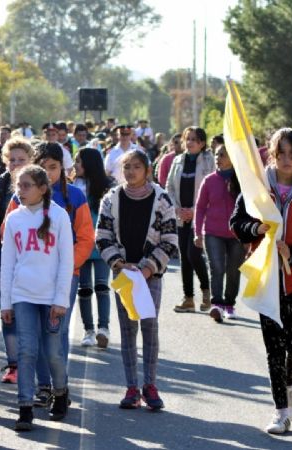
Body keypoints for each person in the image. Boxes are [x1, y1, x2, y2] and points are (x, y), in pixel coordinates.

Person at [229, 128, 292, 434]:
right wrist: (255, 229)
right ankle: (280, 411)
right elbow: (236, 223)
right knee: (274, 348)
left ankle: (290, 384)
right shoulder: (256, 188)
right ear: (271, 155)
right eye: (280, 153)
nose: (286, 159)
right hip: (266, 278)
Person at [4, 142, 94, 406]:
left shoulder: (74, 196)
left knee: (56, 334)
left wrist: (65, 267)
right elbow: (9, 238)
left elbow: (86, 237)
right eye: (43, 166)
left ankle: (59, 388)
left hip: (65, 275)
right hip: (29, 281)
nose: (49, 172)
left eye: (53, 167)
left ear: (62, 169)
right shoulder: (20, 197)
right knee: (31, 340)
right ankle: (43, 387)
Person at [97, 150, 178, 411]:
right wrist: (119, 264)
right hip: (123, 273)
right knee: (127, 329)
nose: (130, 172)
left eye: (136, 167)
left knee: (149, 327)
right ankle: (131, 388)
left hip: (149, 275)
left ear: (147, 170)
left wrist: (147, 268)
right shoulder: (111, 198)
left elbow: (169, 240)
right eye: (127, 167)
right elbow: (103, 236)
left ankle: (150, 386)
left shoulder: (162, 199)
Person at [0, 164, 74, 431]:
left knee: (53, 352)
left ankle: (61, 392)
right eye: (18, 185)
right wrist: (6, 303)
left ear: (42, 189)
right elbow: (7, 263)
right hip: (23, 296)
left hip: (51, 297)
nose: (20, 191)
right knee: (26, 351)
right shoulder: (14, 219)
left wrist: (61, 299)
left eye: (26, 185)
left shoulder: (59, 216)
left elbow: (67, 261)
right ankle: (25, 408)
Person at [0, 137, 34, 384]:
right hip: (3, 259)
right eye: (12, 160)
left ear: (31, 161)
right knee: (8, 312)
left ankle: (32, 362)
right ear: (5, 162)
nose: (16, 164)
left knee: (31, 313)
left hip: (32, 260)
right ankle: (14, 364)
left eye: (21, 160)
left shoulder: (39, 186)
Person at [194, 145, 244, 323]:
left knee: (233, 270)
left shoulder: (241, 180)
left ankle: (229, 304)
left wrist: (250, 234)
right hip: (212, 232)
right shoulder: (209, 180)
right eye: (216, 154)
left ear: (232, 158)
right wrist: (197, 232)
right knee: (217, 268)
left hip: (237, 234)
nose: (218, 157)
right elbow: (200, 207)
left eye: (222, 155)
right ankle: (217, 304)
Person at [167, 127, 214, 313]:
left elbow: (212, 189)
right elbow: (169, 187)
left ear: (202, 143)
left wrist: (195, 211)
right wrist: (177, 208)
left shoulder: (209, 161)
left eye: (195, 139)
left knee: (193, 254)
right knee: (184, 258)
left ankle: (206, 291)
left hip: (200, 216)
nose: (190, 142)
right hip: (180, 216)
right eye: (188, 139)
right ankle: (188, 298)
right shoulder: (177, 160)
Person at [74, 148, 113, 348]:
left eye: (79, 161)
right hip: (80, 244)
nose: (75, 165)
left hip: (102, 244)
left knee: (102, 286)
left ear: (89, 163)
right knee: (84, 289)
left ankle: (103, 328)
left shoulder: (108, 186)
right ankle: (88, 330)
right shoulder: (72, 186)